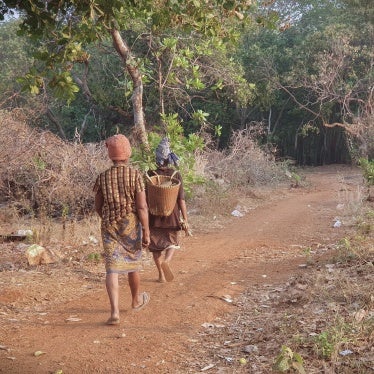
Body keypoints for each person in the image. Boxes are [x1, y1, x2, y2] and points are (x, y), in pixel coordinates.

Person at [93, 134, 150, 325]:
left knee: (112, 269)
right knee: (132, 264)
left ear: (111, 155)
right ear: (127, 153)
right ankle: (135, 300)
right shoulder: (135, 175)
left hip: (109, 225)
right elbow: (142, 207)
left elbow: (98, 206)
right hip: (130, 224)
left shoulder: (102, 177)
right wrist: (147, 231)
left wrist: (107, 218)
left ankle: (115, 312)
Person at [147, 138, 189, 283]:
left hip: (153, 217)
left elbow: (145, 199)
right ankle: (168, 261)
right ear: (169, 157)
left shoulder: (150, 174)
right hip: (171, 217)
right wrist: (185, 219)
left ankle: (161, 275)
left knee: (156, 247)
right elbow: (181, 199)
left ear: (156, 157)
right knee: (172, 243)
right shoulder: (175, 175)